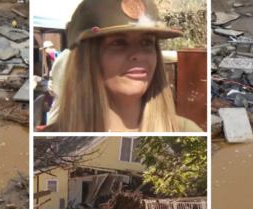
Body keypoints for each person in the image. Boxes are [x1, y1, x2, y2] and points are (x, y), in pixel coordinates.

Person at [43, 0, 203, 132]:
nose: (138, 54)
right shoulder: (51, 139)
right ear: (87, 59)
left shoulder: (187, 131)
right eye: (118, 42)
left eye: (147, 42)